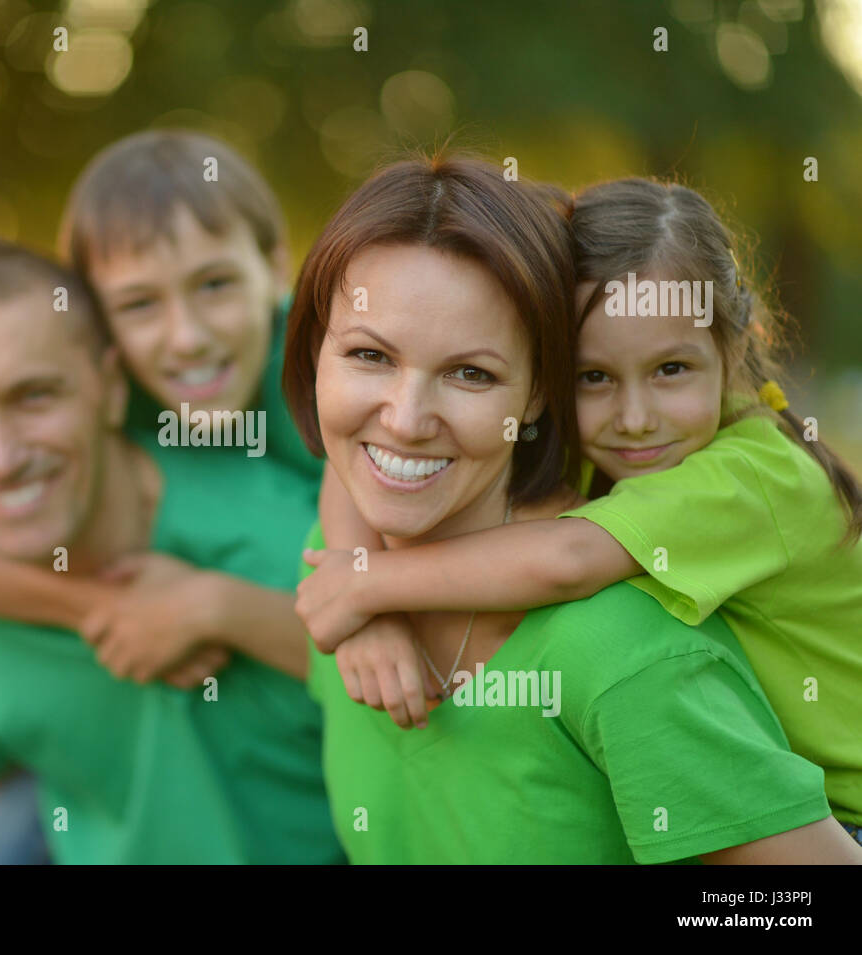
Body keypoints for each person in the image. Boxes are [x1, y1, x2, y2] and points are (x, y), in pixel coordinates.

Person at [284, 153, 861, 863]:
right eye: (370, 356)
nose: (636, 415)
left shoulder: (720, 512)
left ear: (533, 391)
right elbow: (350, 466)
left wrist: (366, 583)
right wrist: (356, 584)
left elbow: (566, 558)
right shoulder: (610, 447)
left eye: (471, 372)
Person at [0, 130, 327, 860]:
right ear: (104, 330)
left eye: (214, 284)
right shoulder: (127, 396)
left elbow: (422, 655)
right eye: (140, 303)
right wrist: (98, 608)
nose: (185, 336)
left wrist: (213, 604)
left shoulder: (328, 390)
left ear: (273, 272)